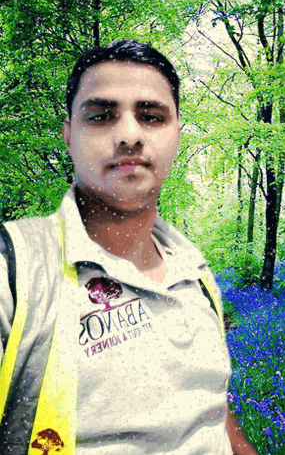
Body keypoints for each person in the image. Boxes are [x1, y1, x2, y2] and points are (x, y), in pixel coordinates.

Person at [0, 40, 259, 454]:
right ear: (68, 137)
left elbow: (210, 404)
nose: (129, 136)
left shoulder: (195, 270)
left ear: (177, 136)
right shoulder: (16, 270)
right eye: (101, 116)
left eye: (151, 117)